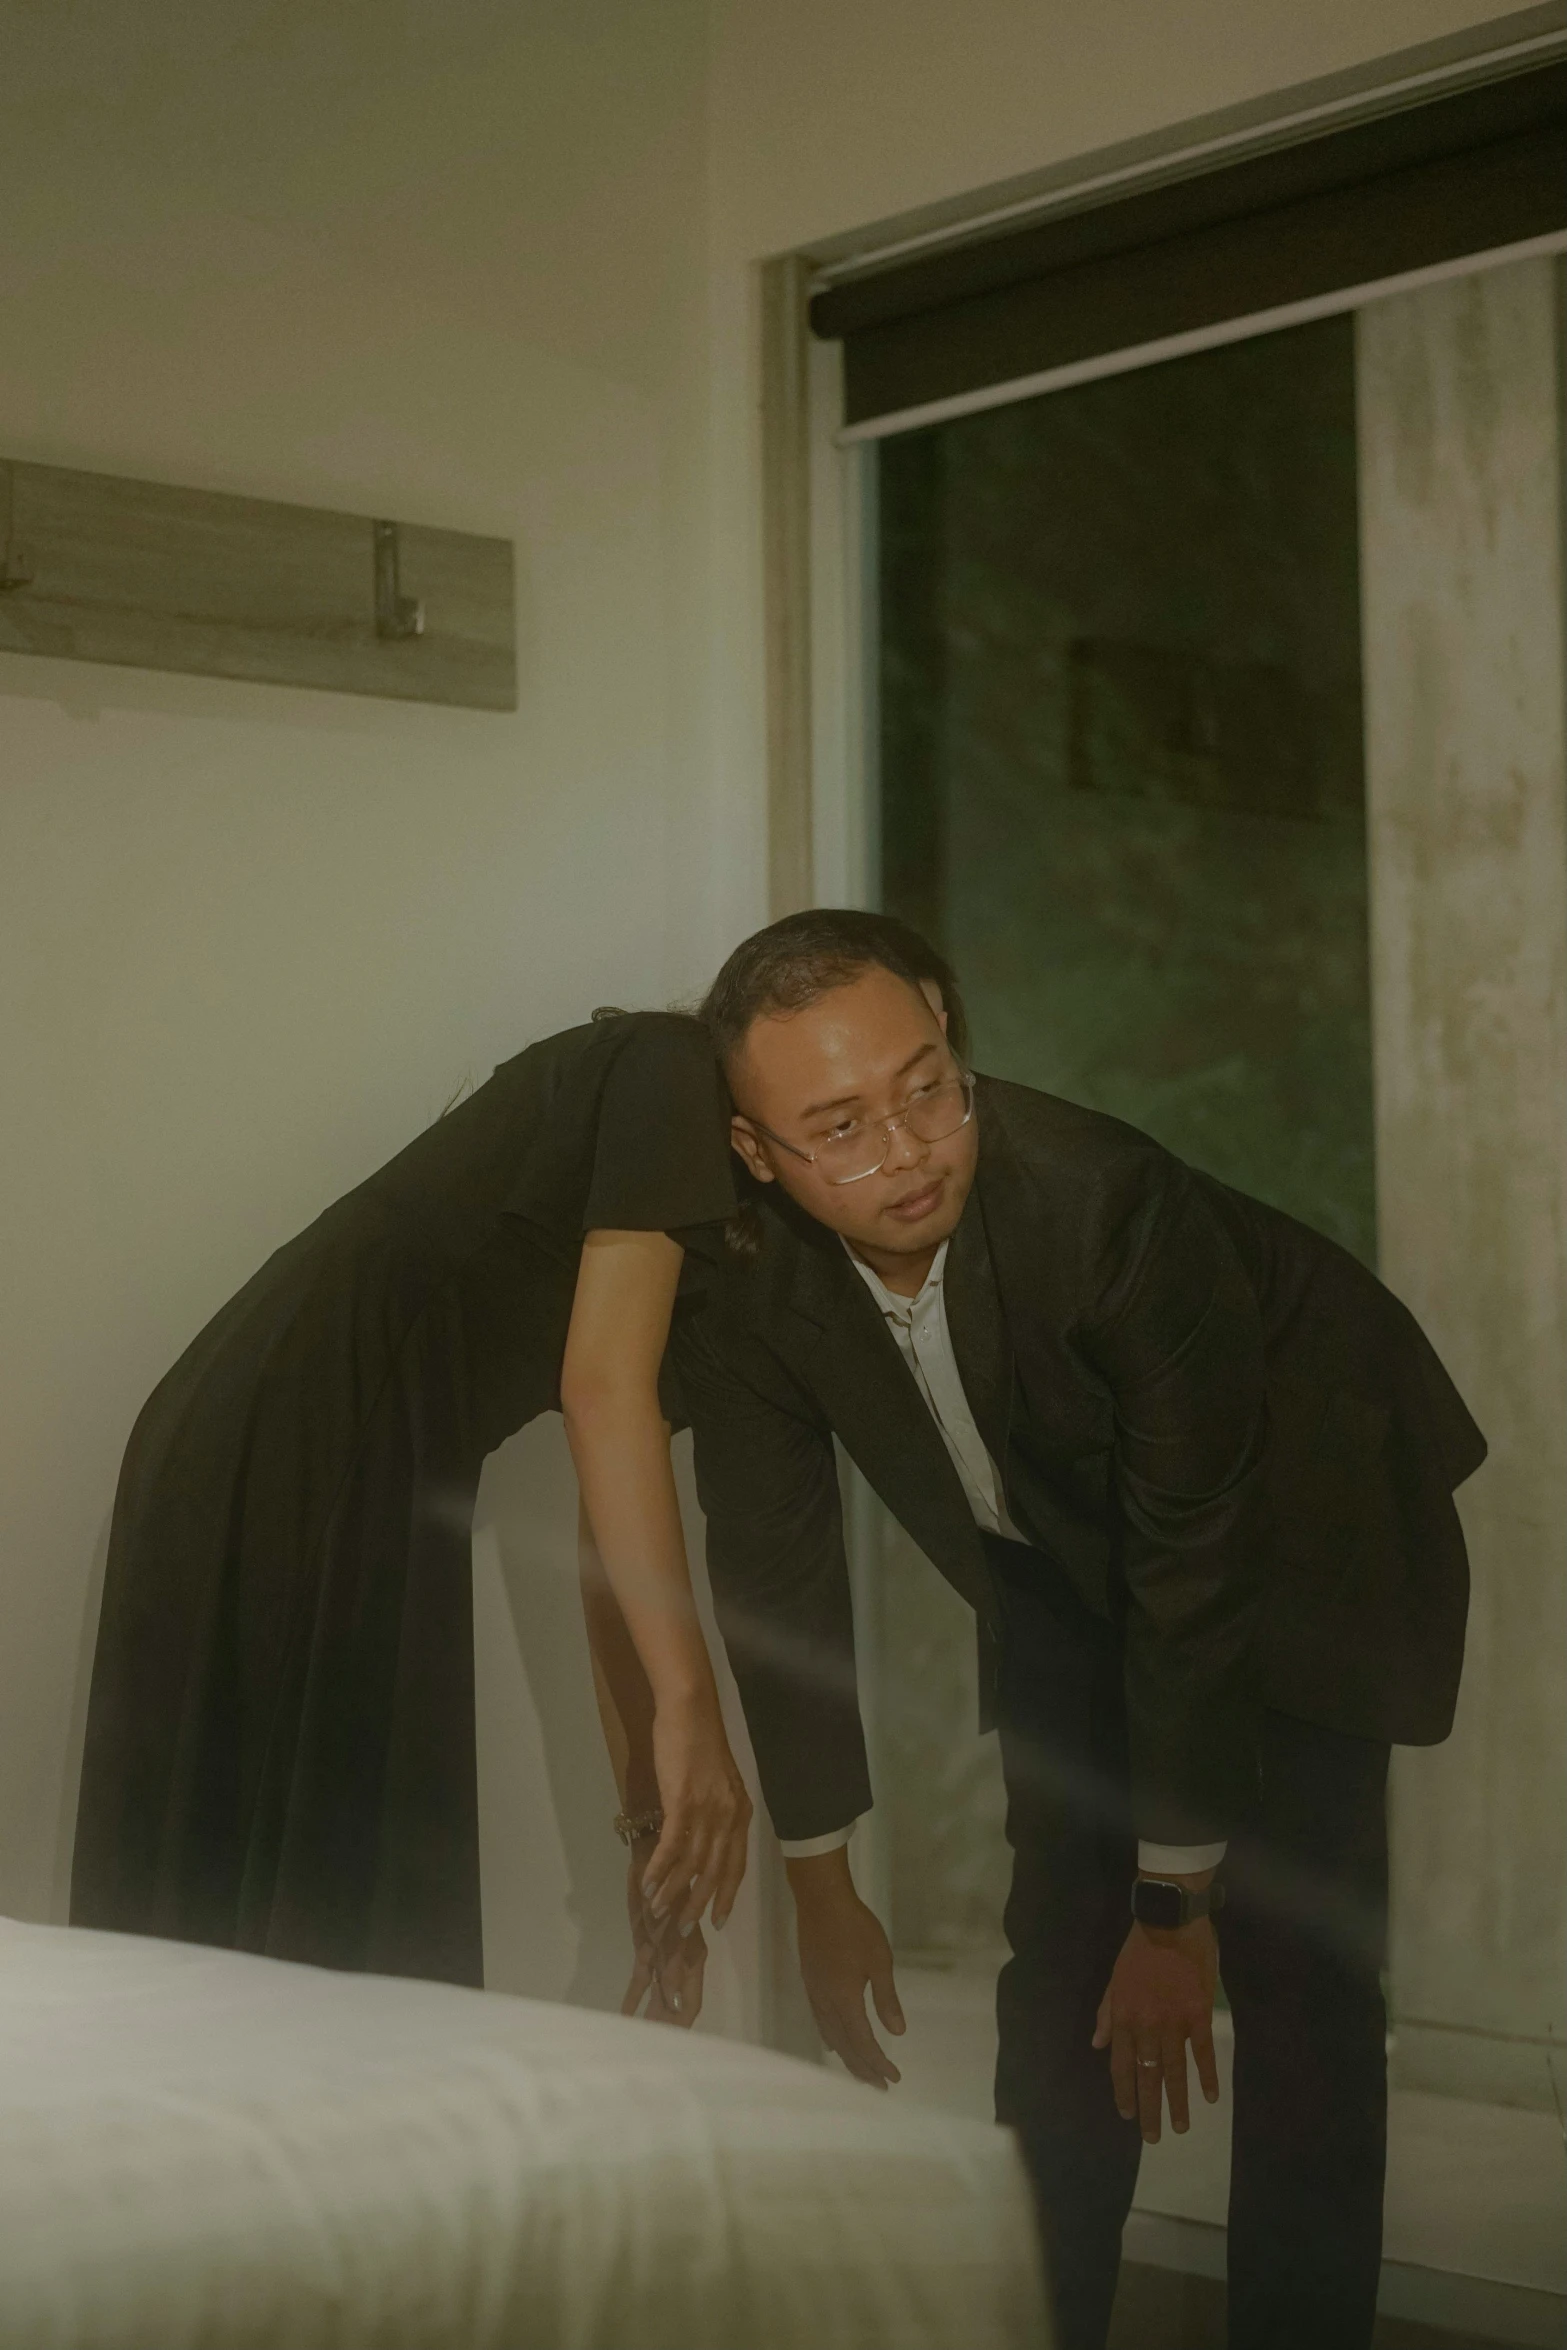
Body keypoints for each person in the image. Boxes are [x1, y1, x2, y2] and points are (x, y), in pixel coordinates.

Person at [674, 910, 1485, 2350]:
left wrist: (1174, 1898)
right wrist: (818, 1870)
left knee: (1294, 1966)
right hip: (1062, 1545)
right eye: (838, 1127)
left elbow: (1194, 1562)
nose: (906, 1150)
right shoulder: (747, 1283)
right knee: (1058, 1954)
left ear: (950, 1036)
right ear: (757, 1152)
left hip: (1299, 1524)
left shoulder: (1103, 1203)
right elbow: (772, 1566)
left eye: (927, 1085)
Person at [72, 1009, 751, 2017]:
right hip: (314, 1431)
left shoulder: (723, 1218)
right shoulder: (671, 1067)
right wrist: (692, 1720)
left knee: (293, 1927)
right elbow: (603, 1392)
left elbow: (612, 1543)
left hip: (290, 1432)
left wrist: (654, 1832)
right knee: (331, 1930)